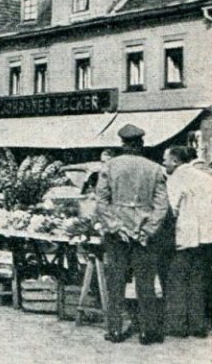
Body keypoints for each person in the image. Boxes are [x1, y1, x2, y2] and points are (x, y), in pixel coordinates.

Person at [95, 124, 169, 345]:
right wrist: (147, 231)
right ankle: (147, 331)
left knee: (115, 283)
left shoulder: (109, 167)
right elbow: (161, 206)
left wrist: (116, 227)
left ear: (122, 144)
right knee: (145, 284)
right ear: (141, 144)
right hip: (144, 234)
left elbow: (101, 202)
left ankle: (115, 330)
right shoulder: (155, 169)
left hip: (117, 235)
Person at [162, 146, 212, 338]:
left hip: (185, 236)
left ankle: (177, 325)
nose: (164, 163)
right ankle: (198, 326)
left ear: (175, 161)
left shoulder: (176, 179)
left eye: (165, 159)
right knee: (199, 280)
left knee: (177, 280)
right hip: (207, 236)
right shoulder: (206, 177)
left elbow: (171, 209)